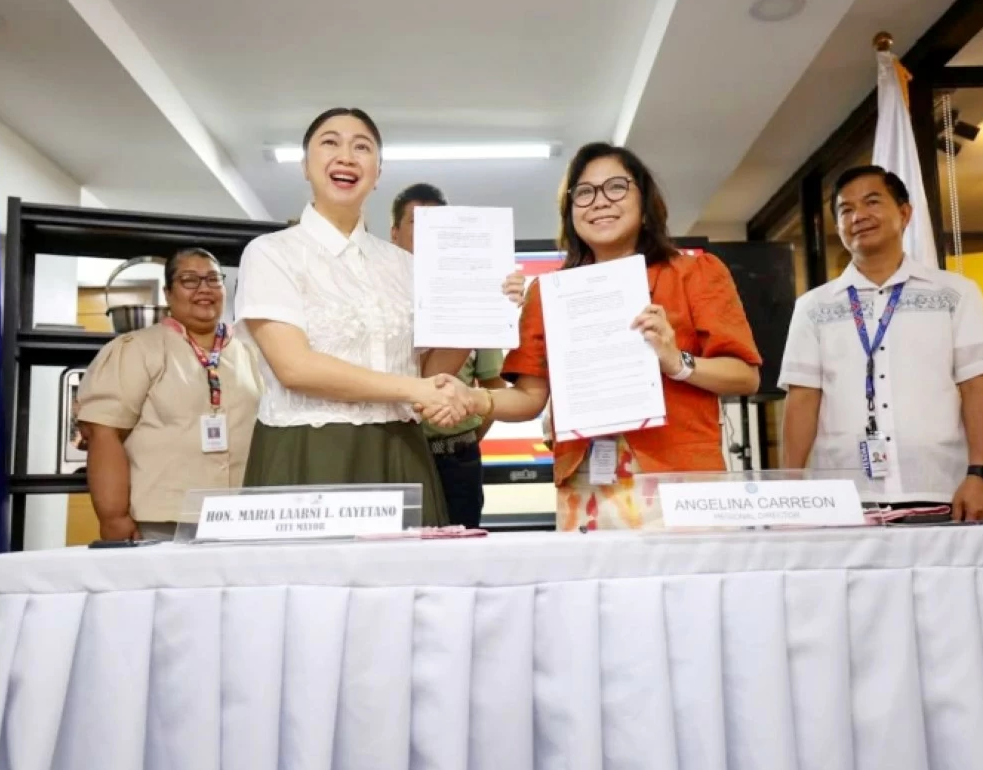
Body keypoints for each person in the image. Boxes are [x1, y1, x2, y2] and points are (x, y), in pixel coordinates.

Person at [428, 142, 762, 531]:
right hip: (587, 486)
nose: (599, 201)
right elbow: (530, 398)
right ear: (570, 212)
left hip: (681, 483)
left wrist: (678, 363)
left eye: (616, 187)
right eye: (584, 192)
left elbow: (745, 376)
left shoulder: (695, 274)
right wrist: (473, 398)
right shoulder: (548, 293)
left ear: (645, 200)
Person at [234, 108, 521, 527]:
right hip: (310, 451)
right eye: (330, 142)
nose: (347, 156)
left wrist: (483, 306)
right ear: (305, 165)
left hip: (402, 450)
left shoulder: (403, 266)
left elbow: (427, 371)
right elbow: (294, 366)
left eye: (362, 147)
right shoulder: (271, 253)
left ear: (377, 172)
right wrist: (414, 388)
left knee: (407, 588)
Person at [778, 165, 983, 521]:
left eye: (872, 202)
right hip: (843, 497)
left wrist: (981, 475)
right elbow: (803, 398)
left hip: (942, 489)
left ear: (904, 213)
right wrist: (791, 488)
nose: (858, 216)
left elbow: (978, 387)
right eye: (846, 210)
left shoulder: (955, 294)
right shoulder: (812, 307)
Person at [77, 248, 262, 540]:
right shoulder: (137, 349)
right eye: (189, 280)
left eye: (213, 280)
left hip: (241, 519)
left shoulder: (249, 352)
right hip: (162, 520)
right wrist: (113, 517)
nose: (204, 288)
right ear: (168, 293)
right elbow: (104, 433)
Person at [390, 182, 506, 528]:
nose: (427, 234)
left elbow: (493, 384)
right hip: (398, 451)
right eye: (416, 223)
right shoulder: (381, 300)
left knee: (462, 555)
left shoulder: (471, 296)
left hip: (458, 458)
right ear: (394, 233)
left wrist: (463, 437)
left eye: (435, 225)